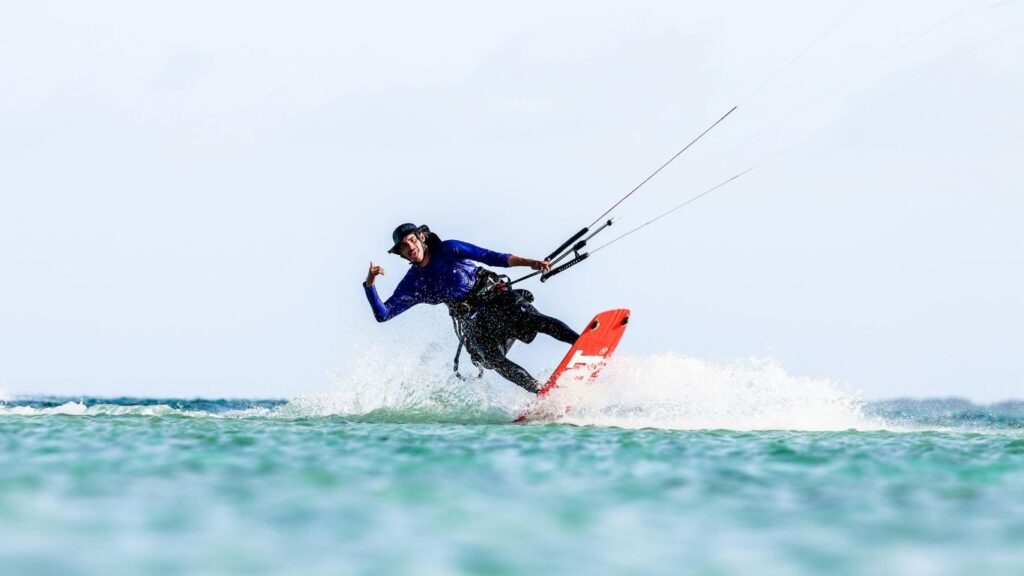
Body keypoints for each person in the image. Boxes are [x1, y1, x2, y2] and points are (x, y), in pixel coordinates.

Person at [363, 223, 580, 393]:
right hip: (476, 322)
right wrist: (370, 284)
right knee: (492, 359)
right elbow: (384, 314)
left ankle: (582, 343)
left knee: (531, 318)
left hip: (497, 299)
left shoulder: (449, 249)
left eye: (411, 240)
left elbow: (490, 257)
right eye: (403, 246)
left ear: (421, 238)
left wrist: (530, 262)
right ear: (401, 253)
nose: (410, 247)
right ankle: (541, 392)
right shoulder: (413, 282)